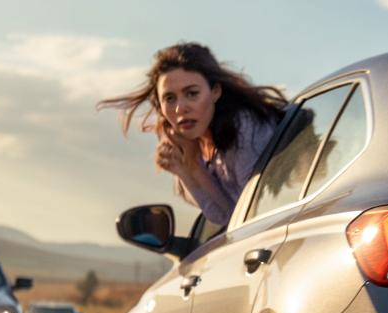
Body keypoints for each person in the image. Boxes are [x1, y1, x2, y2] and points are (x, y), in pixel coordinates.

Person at [99, 43, 286, 228]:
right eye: (170, 98)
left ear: (215, 91)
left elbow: (252, 215)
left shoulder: (245, 128)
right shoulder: (191, 145)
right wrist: (190, 166)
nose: (181, 108)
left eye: (192, 94)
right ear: (160, 107)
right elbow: (225, 217)